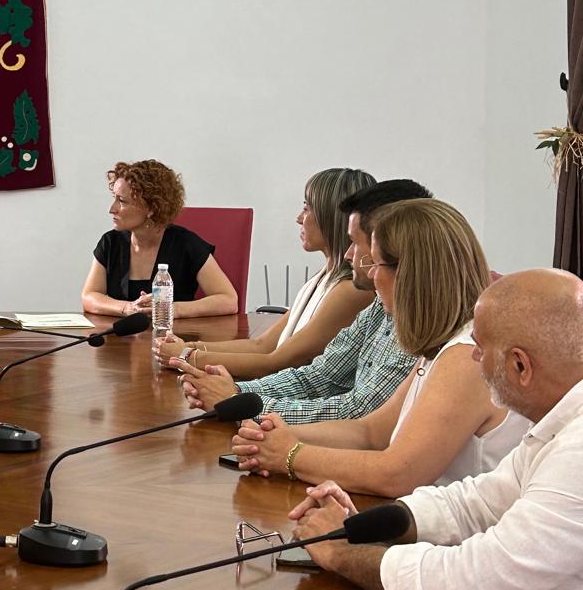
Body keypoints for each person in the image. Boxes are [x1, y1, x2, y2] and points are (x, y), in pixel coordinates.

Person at [289, 270, 583, 590]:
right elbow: (475, 505)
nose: (474, 358)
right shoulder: (557, 424)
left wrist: (340, 554)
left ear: (520, 365)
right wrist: (362, 526)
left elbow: (479, 579)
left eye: (480, 348)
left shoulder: (576, 451)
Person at [231, 199, 526, 492]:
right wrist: (277, 436)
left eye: (376, 263)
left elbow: (396, 474)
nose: (371, 275)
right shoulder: (443, 344)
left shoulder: (466, 356)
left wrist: (290, 455)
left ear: (410, 275)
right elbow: (371, 432)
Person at [180, 177, 431, 420]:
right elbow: (319, 377)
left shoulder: (416, 319)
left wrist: (225, 389)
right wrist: (236, 392)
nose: (348, 253)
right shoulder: (376, 304)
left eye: (356, 242)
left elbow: (358, 414)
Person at [155, 167, 376, 375]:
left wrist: (186, 356)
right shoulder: (324, 277)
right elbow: (261, 345)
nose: (299, 218)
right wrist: (190, 347)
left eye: (307, 208)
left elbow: (277, 362)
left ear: (330, 218)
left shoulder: (350, 290)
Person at [82, 160, 237, 321]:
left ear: (151, 208)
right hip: (121, 336)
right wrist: (128, 308)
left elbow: (228, 300)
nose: (111, 209)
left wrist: (172, 309)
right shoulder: (110, 243)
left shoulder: (186, 243)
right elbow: (89, 296)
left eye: (122, 201)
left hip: (176, 335)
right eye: (114, 198)